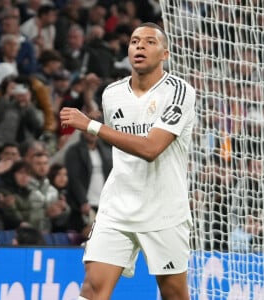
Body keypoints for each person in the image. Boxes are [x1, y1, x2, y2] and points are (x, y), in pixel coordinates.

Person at [60, 22, 196, 300]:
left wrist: (91, 125)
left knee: (174, 295)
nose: (140, 47)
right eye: (135, 42)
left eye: (149, 42)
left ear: (165, 54)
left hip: (164, 212)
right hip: (117, 210)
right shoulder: (112, 94)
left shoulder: (179, 92)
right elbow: (121, 147)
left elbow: (151, 149)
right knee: (92, 290)